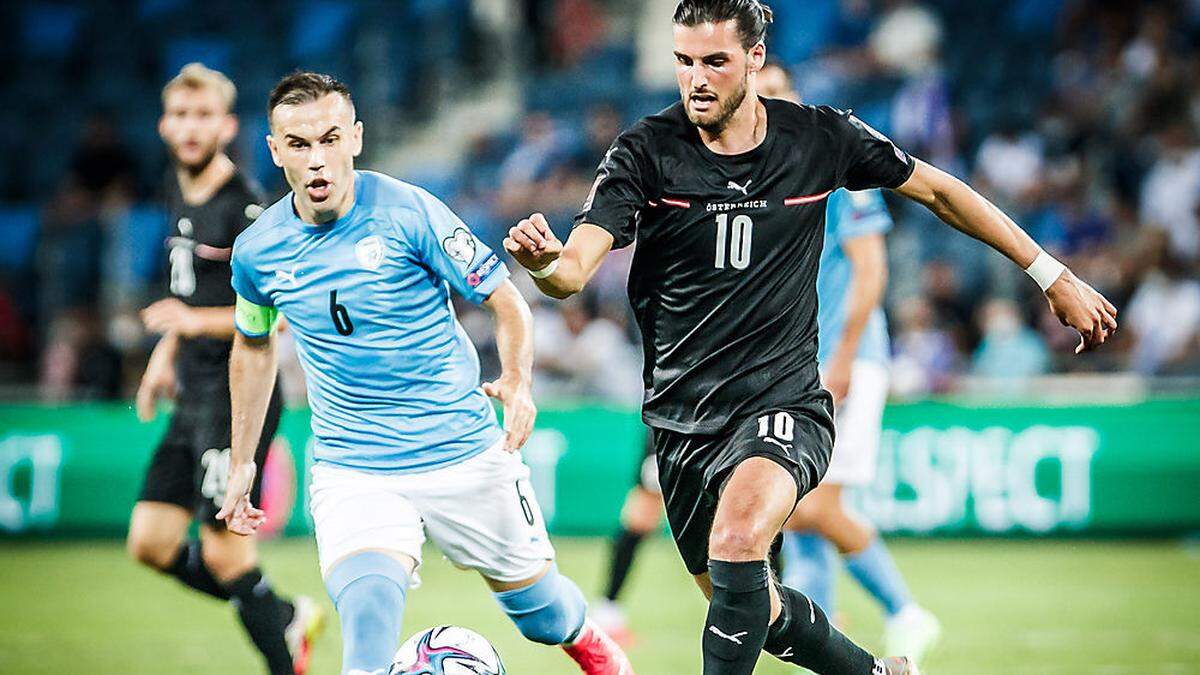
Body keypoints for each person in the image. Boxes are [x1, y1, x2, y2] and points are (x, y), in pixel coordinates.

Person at [503, 2, 1117, 674]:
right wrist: (543, 265)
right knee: (755, 609)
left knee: (738, 540)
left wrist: (1049, 272)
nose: (697, 79)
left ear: (756, 59)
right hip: (681, 418)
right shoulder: (646, 151)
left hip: (784, 399)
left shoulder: (819, 138)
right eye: (685, 61)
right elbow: (572, 271)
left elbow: (940, 192)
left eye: (716, 61)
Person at [218, 71, 634, 675]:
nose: (318, 160)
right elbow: (252, 345)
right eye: (300, 145)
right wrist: (241, 461)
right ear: (275, 149)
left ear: (356, 138)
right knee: (365, 640)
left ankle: (592, 644)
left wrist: (516, 379)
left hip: (461, 448)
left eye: (331, 139)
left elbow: (506, 300)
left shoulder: (409, 211)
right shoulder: (258, 252)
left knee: (544, 616)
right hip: (354, 465)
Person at [126, 63, 323, 675]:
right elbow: (189, 295)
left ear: (227, 126)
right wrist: (165, 357)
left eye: (203, 115)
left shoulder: (248, 210)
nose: (190, 128)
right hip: (192, 394)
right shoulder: (176, 189)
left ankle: (282, 648)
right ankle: (282, 615)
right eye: (180, 115)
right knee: (151, 544)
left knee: (225, 556)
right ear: (164, 124)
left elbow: (282, 316)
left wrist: (188, 327)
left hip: (238, 397)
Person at [758, 61, 943, 663]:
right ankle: (828, 637)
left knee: (812, 506)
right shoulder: (754, 183)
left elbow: (870, 270)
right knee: (796, 510)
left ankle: (908, 612)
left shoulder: (834, 168)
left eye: (778, 93)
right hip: (795, 363)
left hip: (847, 358)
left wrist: (841, 359)